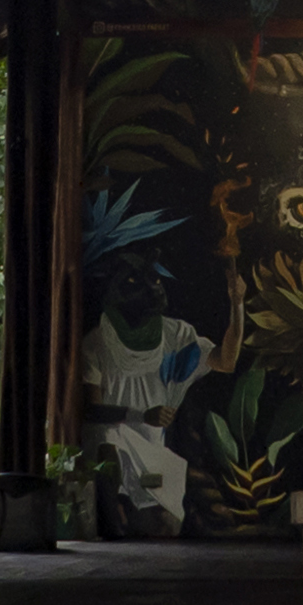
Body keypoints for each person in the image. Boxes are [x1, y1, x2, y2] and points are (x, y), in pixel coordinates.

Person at [77, 183, 244, 534]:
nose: (152, 287)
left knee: (164, 526)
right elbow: (91, 411)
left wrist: (237, 304)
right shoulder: (97, 342)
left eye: (154, 279)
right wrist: (141, 415)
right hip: (112, 449)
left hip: (153, 453)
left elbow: (226, 360)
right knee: (108, 440)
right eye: (136, 280)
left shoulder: (176, 336)